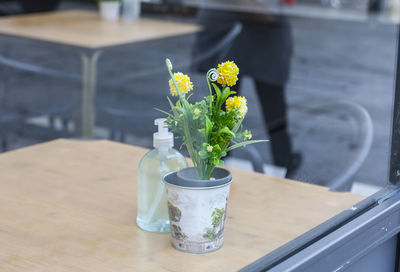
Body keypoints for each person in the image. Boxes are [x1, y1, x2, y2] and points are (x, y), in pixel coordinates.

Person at [192, 7, 301, 177]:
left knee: (268, 105)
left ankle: (283, 160)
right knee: (224, 108)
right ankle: (218, 165)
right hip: (233, 28)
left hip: (249, 30)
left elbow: (269, 14)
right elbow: (267, 15)